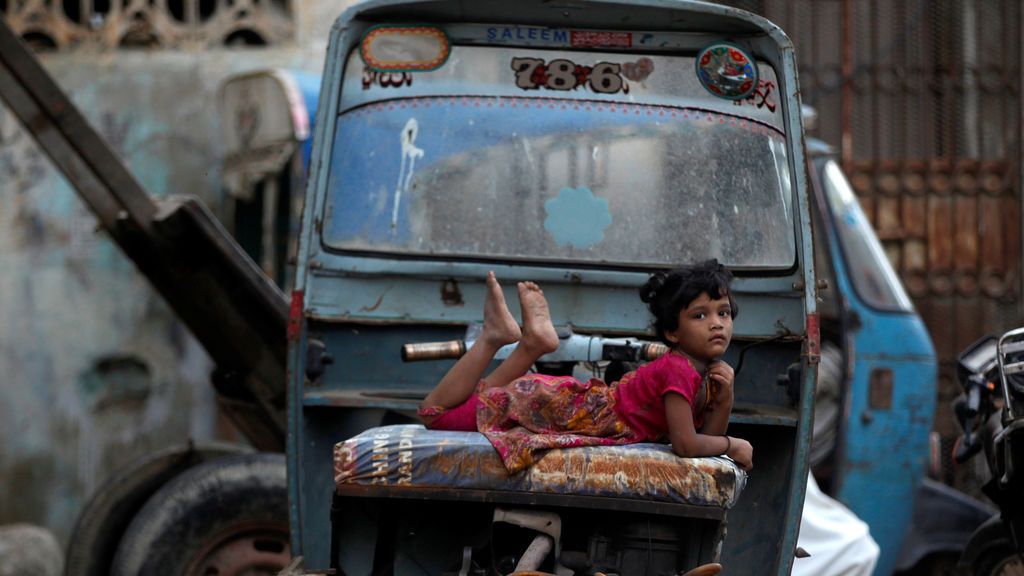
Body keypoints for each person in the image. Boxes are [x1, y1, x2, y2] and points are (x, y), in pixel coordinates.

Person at [417, 260, 754, 474]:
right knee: (436, 415)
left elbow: (703, 442)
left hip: (567, 405)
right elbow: (687, 444)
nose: (716, 324)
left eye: (723, 313)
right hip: (559, 409)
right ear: (672, 333)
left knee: (473, 407)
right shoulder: (678, 369)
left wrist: (725, 400)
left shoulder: (709, 373)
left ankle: (529, 345)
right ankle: (493, 338)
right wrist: (732, 444)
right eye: (700, 315)